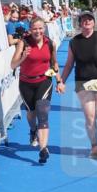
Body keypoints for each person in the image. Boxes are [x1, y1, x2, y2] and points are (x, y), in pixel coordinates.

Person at [59, 12, 97, 159]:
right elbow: (69, 64)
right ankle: (94, 145)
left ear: (93, 22)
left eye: (89, 19)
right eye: (83, 20)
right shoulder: (74, 42)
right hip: (83, 82)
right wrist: (61, 81)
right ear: (80, 24)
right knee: (90, 116)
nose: (86, 22)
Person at [11, 17, 60, 164]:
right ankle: (33, 131)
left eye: (40, 28)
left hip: (44, 81)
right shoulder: (23, 43)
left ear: (44, 28)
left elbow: (54, 63)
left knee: (42, 113)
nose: (37, 31)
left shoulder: (50, 43)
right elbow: (13, 65)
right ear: (30, 29)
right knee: (31, 113)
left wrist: (59, 80)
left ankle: (43, 149)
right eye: (34, 29)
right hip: (26, 83)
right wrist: (23, 57)